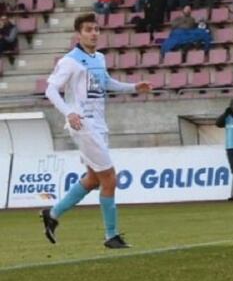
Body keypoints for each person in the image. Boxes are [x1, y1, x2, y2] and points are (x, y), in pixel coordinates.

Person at [40, 14, 152, 249]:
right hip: (83, 124)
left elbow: (106, 83)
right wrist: (69, 112)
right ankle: (111, 235)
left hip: (99, 124)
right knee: (110, 177)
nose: (94, 33)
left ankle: (53, 213)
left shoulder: (99, 58)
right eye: (89, 29)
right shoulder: (70, 61)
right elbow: (51, 90)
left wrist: (133, 87)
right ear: (78, 34)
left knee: (93, 179)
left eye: (97, 29)